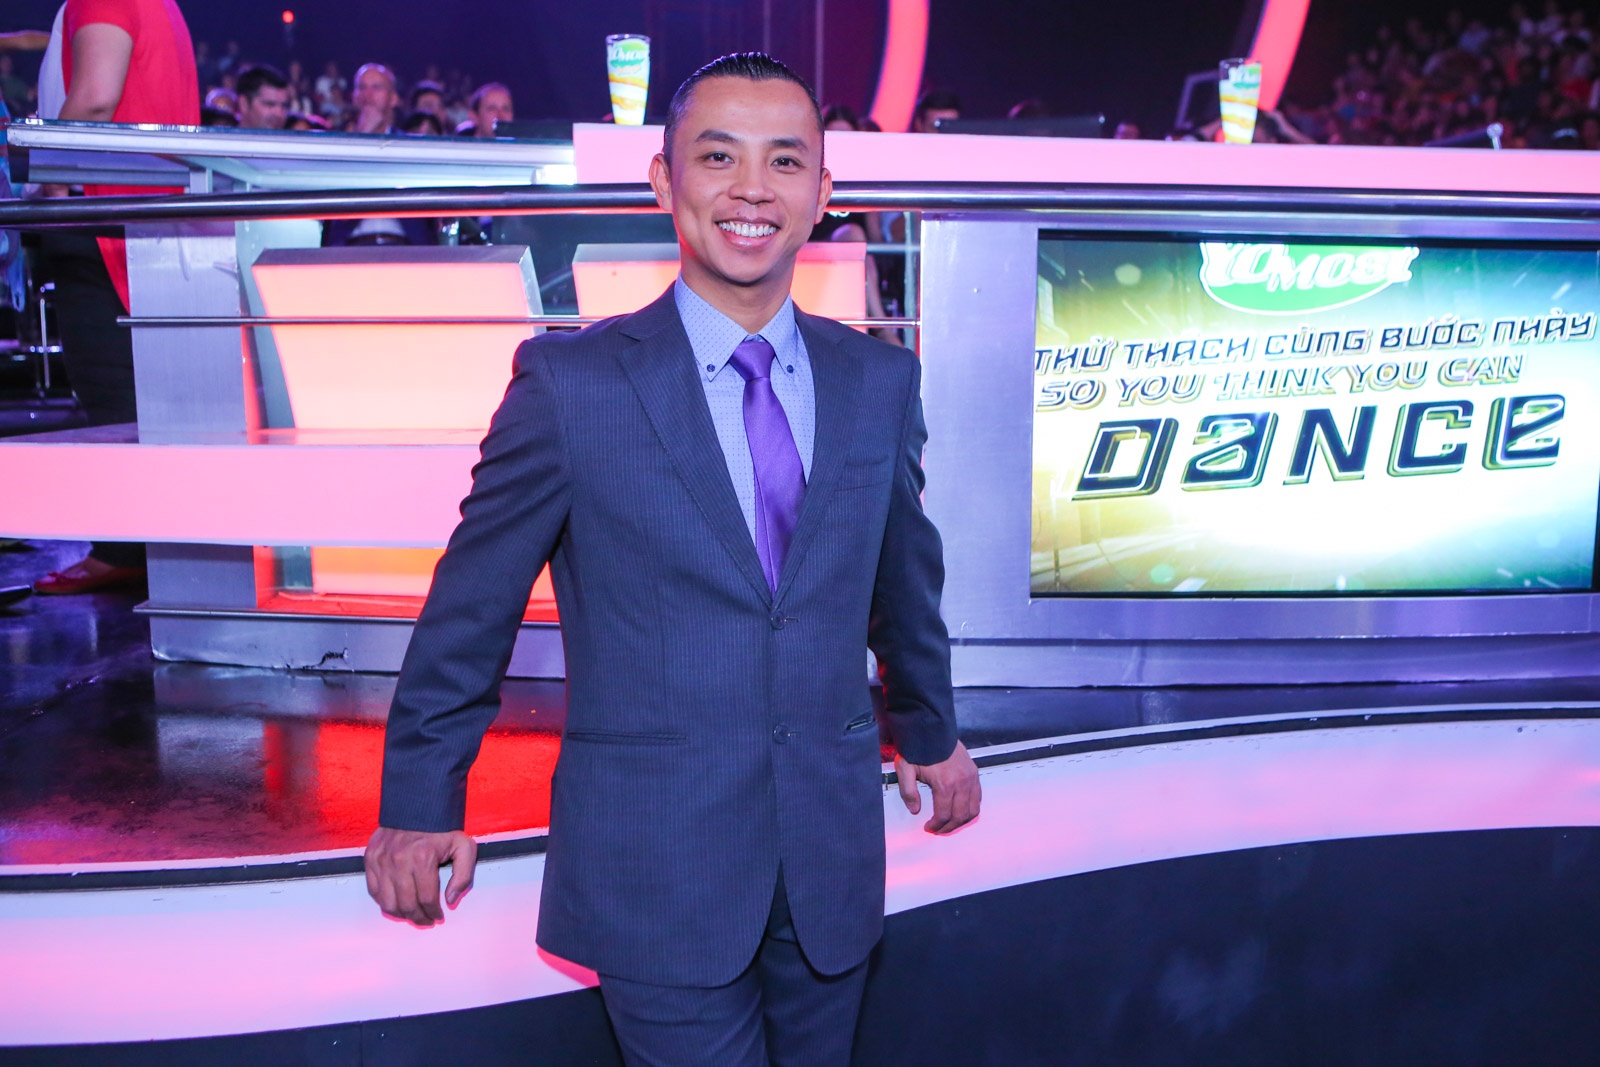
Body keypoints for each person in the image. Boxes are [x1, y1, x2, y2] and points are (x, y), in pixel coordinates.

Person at [364, 51, 979, 1066]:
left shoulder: (878, 379)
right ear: (664, 180)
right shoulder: (571, 385)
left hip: (828, 856)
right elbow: (473, 603)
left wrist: (929, 727)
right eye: (718, 156)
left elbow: (900, 580)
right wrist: (420, 801)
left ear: (823, 193)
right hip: (655, 860)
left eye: (785, 161)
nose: (752, 189)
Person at [32, 0, 198, 596]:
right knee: (146, 389)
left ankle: (126, 547)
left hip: (105, 213)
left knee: (112, 386)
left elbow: (97, 97)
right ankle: (151, 543)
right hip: (142, 212)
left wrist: (47, 181)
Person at [235, 62, 289, 130]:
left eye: (284, 106)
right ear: (244, 104)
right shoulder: (223, 137)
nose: (279, 114)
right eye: (270, 104)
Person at [349, 61, 398, 134]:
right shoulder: (334, 138)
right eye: (362, 87)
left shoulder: (407, 140)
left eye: (376, 87)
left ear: (393, 99)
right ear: (354, 97)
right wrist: (363, 132)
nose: (367, 94)